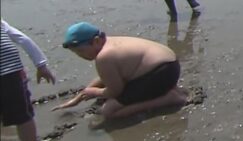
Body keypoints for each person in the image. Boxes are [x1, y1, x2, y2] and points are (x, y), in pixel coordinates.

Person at [52, 22, 188, 119]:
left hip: (160, 73)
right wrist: (78, 97)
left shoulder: (104, 56)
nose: (80, 56)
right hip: (171, 64)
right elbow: (105, 77)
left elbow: (115, 91)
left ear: (96, 41)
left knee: (109, 111)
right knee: (111, 94)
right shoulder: (111, 42)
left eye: (81, 51)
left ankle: (169, 99)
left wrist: (94, 92)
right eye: (76, 53)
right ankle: (166, 89)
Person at [1, 19, 56, 141]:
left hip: (8, 72)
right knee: (23, 117)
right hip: (9, 74)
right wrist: (41, 65)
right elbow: (23, 39)